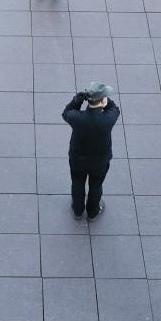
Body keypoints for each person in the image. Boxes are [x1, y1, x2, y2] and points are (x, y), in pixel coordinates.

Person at [62, 81, 119, 220]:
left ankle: (77, 210)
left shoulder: (77, 117)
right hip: (99, 162)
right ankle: (93, 212)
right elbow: (115, 109)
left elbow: (66, 113)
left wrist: (77, 100)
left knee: (77, 183)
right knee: (96, 186)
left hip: (77, 160)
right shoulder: (108, 119)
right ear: (102, 100)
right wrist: (106, 100)